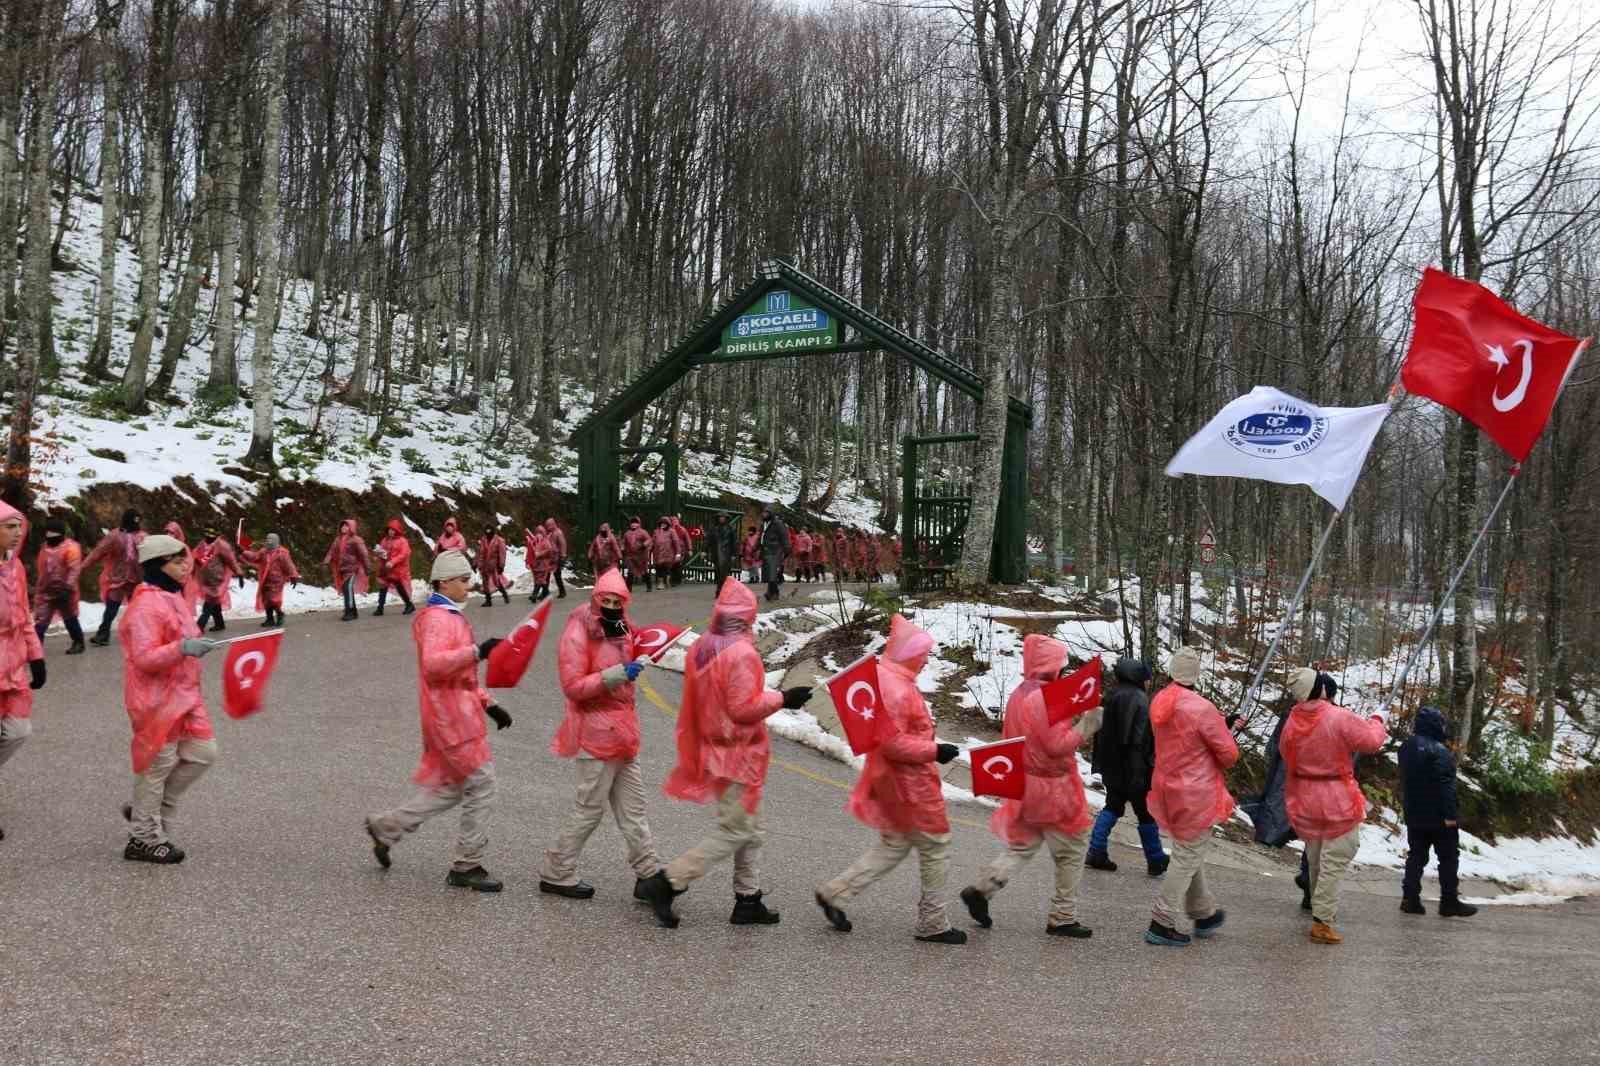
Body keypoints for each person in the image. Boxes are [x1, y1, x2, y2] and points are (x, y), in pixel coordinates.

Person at [640, 579, 813, 928]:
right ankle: (669, 881)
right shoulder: (741, 653)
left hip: (716, 746)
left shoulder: (704, 646)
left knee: (751, 827)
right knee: (736, 830)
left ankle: (748, 899)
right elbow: (741, 708)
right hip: (738, 752)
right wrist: (783, 698)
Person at [364, 550, 511, 892]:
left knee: (453, 788)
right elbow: (433, 666)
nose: (469, 587)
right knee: (483, 784)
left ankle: (386, 827)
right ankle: (467, 865)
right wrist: (477, 651)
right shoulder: (437, 619)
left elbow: (463, 677)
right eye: (463, 580)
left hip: (459, 715)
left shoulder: (451, 616)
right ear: (444, 581)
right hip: (450, 721)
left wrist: (490, 704)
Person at [815, 615, 965, 944]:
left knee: (895, 843)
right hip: (911, 782)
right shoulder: (898, 689)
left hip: (890, 779)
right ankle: (933, 921)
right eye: (923, 654)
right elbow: (892, 742)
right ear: (910, 653)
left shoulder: (885, 675)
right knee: (935, 846)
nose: (927, 660)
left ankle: (836, 893)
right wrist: (933, 751)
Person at [960, 635, 1095, 938]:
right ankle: (1063, 916)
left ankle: (982, 890)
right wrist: (1087, 725)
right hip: (1055, 787)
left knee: (1024, 844)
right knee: (1072, 849)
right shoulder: (1050, 699)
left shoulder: (1019, 693)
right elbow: (1057, 745)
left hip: (1027, 784)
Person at [539, 568, 663, 900]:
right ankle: (556, 872)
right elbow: (573, 686)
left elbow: (630, 659)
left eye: (617, 601)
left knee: (634, 810)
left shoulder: (622, 627)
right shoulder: (578, 631)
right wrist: (617, 673)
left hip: (623, 735)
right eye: (605, 600)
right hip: (594, 735)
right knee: (589, 810)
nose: (610, 606)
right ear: (595, 599)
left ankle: (648, 874)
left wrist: (645, 656)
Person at [118, 533, 220, 863]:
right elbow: (145, 658)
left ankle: (147, 810)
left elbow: (182, 639)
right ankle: (143, 839)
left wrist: (193, 645)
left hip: (185, 695)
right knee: (157, 766)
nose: (185, 565)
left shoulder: (173, 596)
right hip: (156, 699)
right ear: (156, 566)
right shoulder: (146, 604)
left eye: (184, 558)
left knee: (204, 752)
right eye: (177, 561)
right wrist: (183, 648)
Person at [1279, 667, 1387, 945]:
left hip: (1304, 796)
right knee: (1337, 856)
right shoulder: (1337, 716)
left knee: (1316, 859)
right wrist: (1378, 719)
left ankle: (1319, 913)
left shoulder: (1292, 720)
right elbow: (1372, 741)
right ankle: (1322, 921)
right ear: (1319, 688)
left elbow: (1285, 753)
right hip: (1336, 797)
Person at [1144, 646, 1240, 947]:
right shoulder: (1202, 708)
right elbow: (1228, 755)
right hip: (1196, 792)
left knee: (1188, 849)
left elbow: (1186, 739)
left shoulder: (1160, 700)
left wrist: (1219, 727)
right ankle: (1161, 922)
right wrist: (1228, 730)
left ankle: (1203, 912)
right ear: (1196, 675)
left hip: (1167, 786)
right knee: (1187, 854)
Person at [1087, 658, 1168, 875]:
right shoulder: (1139, 699)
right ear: (1138, 677)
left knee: (1112, 805)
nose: (1149, 683)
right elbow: (1138, 739)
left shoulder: (1111, 695)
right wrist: (1141, 771)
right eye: (1147, 678)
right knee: (1145, 813)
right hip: (1133, 767)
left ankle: (1096, 850)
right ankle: (1156, 858)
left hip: (1111, 765)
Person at [1399, 705, 1477, 919]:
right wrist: (1451, 816)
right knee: (1449, 857)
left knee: (1416, 855)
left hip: (1414, 813)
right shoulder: (1440, 751)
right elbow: (1446, 786)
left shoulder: (1406, 747)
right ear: (1436, 725)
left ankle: (1410, 898)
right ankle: (1449, 901)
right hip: (1439, 816)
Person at [0, 502, 47, 839]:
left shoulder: (15, 568)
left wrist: (36, 655)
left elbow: (24, 613)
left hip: (12, 666)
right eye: (9, 526)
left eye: (19, 526)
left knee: (18, 730)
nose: (17, 534)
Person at [85, 509, 143, 646]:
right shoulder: (114, 536)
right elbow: (99, 551)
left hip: (137, 578)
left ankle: (141, 632)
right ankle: (103, 633)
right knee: (112, 607)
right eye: (134, 521)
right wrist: (84, 565)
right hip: (118, 577)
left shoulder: (142, 537)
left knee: (138, 607)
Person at [33, 517, 85, 654]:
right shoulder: (45, 547)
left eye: (54, 537)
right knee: (41, 621)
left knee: (70, 618)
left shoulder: (71, 548)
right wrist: (40, 588)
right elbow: (42, 569)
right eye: (48, 537)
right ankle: (35, 649)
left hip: (65, 592)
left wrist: (67, 588)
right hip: (46, 591)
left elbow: (74, 569)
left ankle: (78, 642)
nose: (51, 540)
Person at [242, 533, 299, 627]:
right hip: (265, 579)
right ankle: (270, 619)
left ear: (276, 541)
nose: (269, 541)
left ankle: (280, 614)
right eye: (268, 539)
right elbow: (255, 557)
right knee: (266, 600)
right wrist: (244, 552)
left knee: (274, 600)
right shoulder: (263, 552)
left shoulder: (282, 553)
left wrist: (293, 576)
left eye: (271, 539)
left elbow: (289, 566)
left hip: (277, 580)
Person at [192, 529, 241, 633]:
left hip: (217, 581)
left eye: (211, 533)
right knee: (215, 604)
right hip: (205, 580)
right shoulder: (201, 545)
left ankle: (199, 626)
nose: (208, 536)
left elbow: (231, 560)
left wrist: (239, 573)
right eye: (207, 533)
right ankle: (220, 624)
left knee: (209, 604)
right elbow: (193, 556)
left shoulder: (222, 546)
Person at [324, 518, 371, 622]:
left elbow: (364, 555)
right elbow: (332, 551)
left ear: (351, 527)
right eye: (342, 526)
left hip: (353, 569)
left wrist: (367, 568)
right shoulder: (338, 539)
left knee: (347, 589)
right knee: (346, 590)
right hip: (342, 569)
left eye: (346, 526)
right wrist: (327, 560)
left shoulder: (356, 539)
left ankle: (349, 611)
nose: (343, 528)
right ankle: (353, 611)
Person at [374, 520, 415, 616]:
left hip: (397, 568)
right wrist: (378, 554)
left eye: (393, 530)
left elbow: (404, 554)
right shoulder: (385, 540)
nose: (391, 532)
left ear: (397, 530)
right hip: (386, 567)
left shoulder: (402, 541)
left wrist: (393, 561)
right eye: (389, 529)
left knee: (399, 587)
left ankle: (409, 604)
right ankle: (380, 608)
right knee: (383, 586)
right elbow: (382, 551)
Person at [476, 525, 510, 607]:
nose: (488, 533)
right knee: (485, 583)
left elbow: (502, 553)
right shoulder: (483, 540)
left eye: (489, 531)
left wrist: (501, 565)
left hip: (494, 565)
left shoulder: (499, 540)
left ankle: (505, 595)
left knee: (497, 582)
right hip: (485, 565)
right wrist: (478, 564)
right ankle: (488, 600)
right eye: (486, 531)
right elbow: (480, 553)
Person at [759, 507, 788, 602]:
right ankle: (771, 592)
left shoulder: (778, 524)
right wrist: (757, 548)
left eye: (766, 513)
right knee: (769, 574)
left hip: (775, 550)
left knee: (772, 573)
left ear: (770, 513)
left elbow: (784, 536)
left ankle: (774, 593)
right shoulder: (764, 524)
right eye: (763, 512)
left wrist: (786, 549)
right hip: (766, 550)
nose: (764, 514)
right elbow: (761, 537)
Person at [527, 525, 557, 602]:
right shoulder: (535, 541)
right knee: (540, 580)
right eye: (537, 532)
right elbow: (530, 551)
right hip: (536, 564)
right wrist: (528, 561)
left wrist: (540, 554)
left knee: (540, 579)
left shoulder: (546, 541)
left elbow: (549, 550)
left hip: (544, 563)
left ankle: (534, 595)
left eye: (540, 532)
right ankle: (547, 593)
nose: (538, 534)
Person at [622, 517, 652, 592]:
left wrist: (644, 545)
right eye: (632, 523)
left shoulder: (643, 532)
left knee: (644, 571)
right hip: (631, 555)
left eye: (635, 523)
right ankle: (628, 588)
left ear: (638, 523)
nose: (633, 524)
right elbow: (624, 542)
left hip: (641, 555)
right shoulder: (627, 533)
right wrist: (622, 549)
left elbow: (648, 539)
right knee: (630, 572)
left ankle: (649, 586)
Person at [710, 514, 737, 591]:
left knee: (724, 572)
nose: (721, 519)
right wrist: (704, 550)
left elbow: (734, 542)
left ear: (726, 519)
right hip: (717, 552)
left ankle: (720, 590)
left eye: (723, 517)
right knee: (718, 571)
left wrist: (734, 554)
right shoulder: (714, 529)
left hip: (727, 553)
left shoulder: (731, 529)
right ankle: (721, 589)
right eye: (720, 517)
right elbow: (709, 540)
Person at [543, 517, 568, 599]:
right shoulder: (550, 533)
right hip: (550, 557)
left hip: (557, 558)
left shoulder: (558, 533)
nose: (547, 527)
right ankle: (545, 592)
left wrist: (563, 556)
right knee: (546, 575)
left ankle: (562, 591)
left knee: (557, 575)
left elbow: (562, 544)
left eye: (548, 525)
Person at [651, 518, 678, 591]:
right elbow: (652, 542)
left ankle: (667, 581)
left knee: (667, 568)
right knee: (659, 568)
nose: (663, 525)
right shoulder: (656, 531)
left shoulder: (672, 531)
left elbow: (676, 542)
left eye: (665, 523)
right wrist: (649, 551)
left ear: (668, 524)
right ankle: (661, 583)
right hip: (658, 553)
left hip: (668, 553)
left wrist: (678, 553)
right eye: (661, 523)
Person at [669, 515, 692, 587]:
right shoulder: (682, 529)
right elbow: (688, 540)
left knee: (675, 565)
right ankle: (676, 580)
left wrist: (689, 549)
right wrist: (689, 549)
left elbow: (687, 539)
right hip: (678, 549)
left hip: (676, 549)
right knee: (676, 565)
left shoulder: (674, 529)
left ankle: (674, 580)